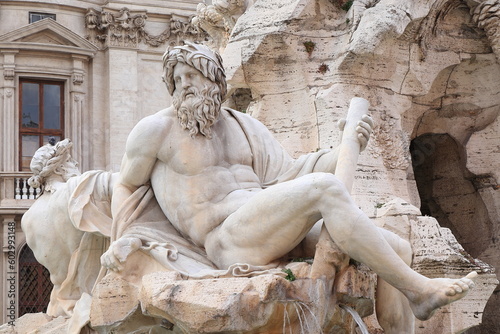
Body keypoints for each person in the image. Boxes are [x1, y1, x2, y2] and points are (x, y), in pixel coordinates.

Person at [101, 41, 475, 325]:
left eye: (191, 76)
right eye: (176, 79)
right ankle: (419, 289)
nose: (183, 86)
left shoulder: (245, 126)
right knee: (325, 190)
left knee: (397, 247)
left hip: (267, 224)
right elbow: (125, 185)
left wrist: (348, 144)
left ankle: (407, 315)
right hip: (225, 240)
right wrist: (126, 237)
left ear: (214, 79)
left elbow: (290, 174)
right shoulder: (156, 130)